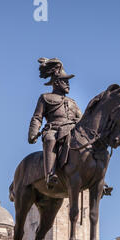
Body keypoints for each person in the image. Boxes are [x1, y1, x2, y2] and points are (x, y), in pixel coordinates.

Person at [28, 58, 82, 189]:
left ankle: (99, 179)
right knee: (50, 139)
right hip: (54, 129)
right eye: (65, 81)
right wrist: (33, 132)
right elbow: (37, 117)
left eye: (68, 81)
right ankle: (50, 174)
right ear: (57, 82)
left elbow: (81, 119)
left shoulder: (72, 102)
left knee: (87, 146)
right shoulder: (45, 98)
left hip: (72, 130)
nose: (68, 84)